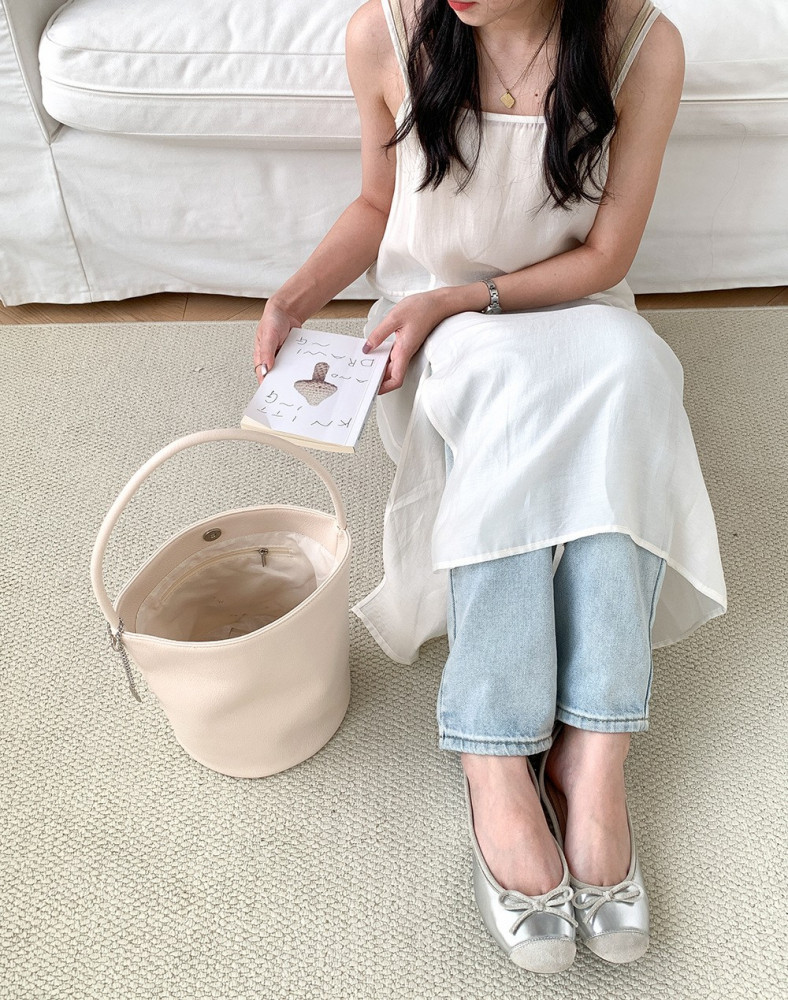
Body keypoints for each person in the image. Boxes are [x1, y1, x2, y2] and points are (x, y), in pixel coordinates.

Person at [253, 0, 727, 975]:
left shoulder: (643, 47)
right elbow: (378, 207)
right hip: (438, 332)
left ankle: (593, 751)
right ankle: (494, 750)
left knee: (635, 371)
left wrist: (469, 292)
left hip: (571, 305)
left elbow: (605, 257)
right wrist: (296, 295)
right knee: (513, 395)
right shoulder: (384, 33)